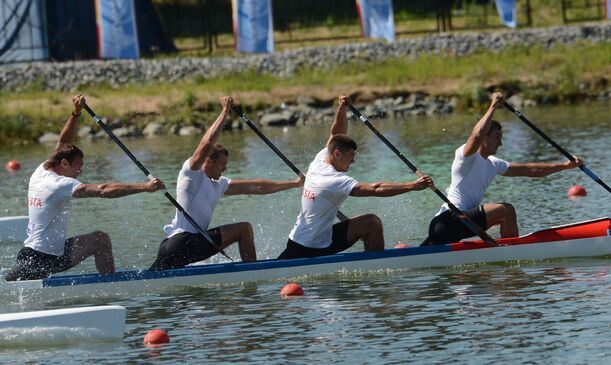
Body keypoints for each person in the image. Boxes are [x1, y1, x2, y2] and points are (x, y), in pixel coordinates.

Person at [4, 95, 166, 281]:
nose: (80, 171)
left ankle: (108, 282)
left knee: (100, 239)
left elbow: (63, 143)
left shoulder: (42, 170)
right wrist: (144, 187)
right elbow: (103, 190)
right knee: (99, 240)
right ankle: (111, 286)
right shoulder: (60, 185)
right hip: (43, 260)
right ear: (64, 163)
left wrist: (76, 113)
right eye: (78, 167)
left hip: (31, 254)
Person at [149, 96, 303, 271]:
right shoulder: (192, 174)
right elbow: (206, 143)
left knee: (152, 278)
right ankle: (253, 274)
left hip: (181, 247)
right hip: (180, 242)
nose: (225, 168)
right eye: (222, 164)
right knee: (244, 229)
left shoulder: (219, 184)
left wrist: (293, 183)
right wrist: (225, 111)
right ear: (208, 161)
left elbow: (256, 186)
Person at [278, 95, 434, 260]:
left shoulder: (320, 160)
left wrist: (342, 108)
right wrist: (412, 186)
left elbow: (336, 133)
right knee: (372, 223)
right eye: (351, 155)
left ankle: (374, 259)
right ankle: (377, 267)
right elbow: (375, 188)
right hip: (311, 248)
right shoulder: (334, 180)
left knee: (369, 221)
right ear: (337, 153)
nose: (353, 160)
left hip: (299, 239)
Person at [422, 92, 583, 245]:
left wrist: (565, 166)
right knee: (506, 210)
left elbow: (531, 170)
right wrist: (493, 106)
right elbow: (476, 136)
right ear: (485, 137)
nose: (500, 143)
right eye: (497, 137)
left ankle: (502, 250)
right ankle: (514, 252)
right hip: (447, 221)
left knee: (499, 217)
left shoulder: (493, 163)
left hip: (459, 225)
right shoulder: (465, 156)